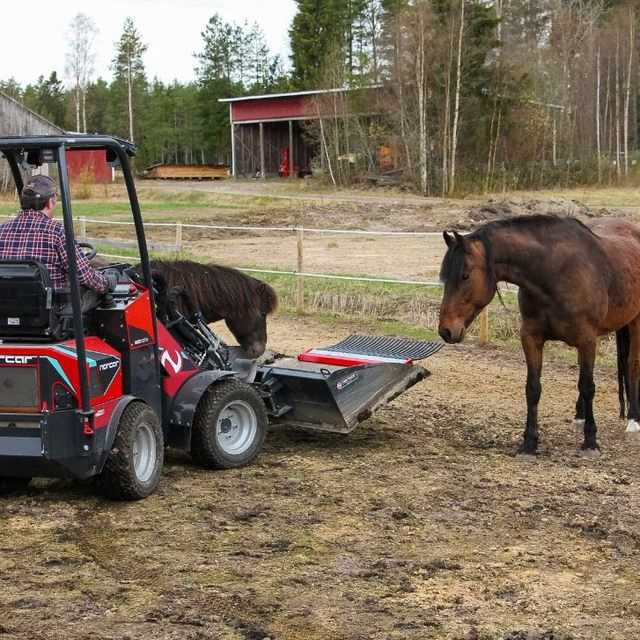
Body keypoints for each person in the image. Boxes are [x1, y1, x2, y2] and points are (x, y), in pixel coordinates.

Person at [0, 174, 118, 312]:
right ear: (50, 202)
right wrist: (108, 282)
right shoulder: (57, 232)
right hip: (51, 314)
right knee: (97, 292)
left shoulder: (2, 230)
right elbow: (84, 276)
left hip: (7, 310)